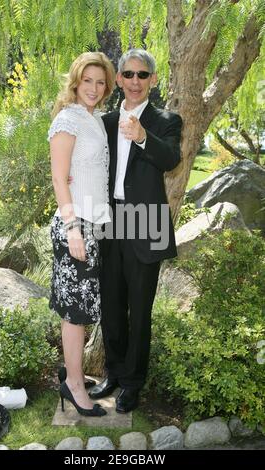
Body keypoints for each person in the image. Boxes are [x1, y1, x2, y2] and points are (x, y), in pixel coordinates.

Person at [89, 49, 182, 413]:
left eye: (142, 75)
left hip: (148, 221)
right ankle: (112, 373)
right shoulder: (106, 121)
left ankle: (132, 384)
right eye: (128, 74)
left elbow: (171, 159)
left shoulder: (166, 120)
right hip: (110, 220)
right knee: (111, 304)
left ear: (153, 80)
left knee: (139, 310)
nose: (134, 81)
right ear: (120, 80)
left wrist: (143, 135)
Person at [48, 52, 115, 416]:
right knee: (75, 313)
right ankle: (74, 385)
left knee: (83, 309)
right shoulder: (68, 119)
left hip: (95, 225)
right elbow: (60, 178)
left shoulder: (96, 120)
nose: (94, 88)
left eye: (100, 82)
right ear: (76, 82)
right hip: (75, 227)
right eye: (87, 81)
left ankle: (73, 374)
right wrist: (73, 228)